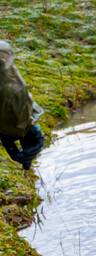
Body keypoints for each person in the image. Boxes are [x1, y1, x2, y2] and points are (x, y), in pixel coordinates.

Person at [0, 41, 45, 170]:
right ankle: (25, 161)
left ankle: (25, 162)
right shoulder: (11, 88)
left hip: (14, 124)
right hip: (15, 124)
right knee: (34, 141)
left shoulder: (11, 78)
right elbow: (21, 115)